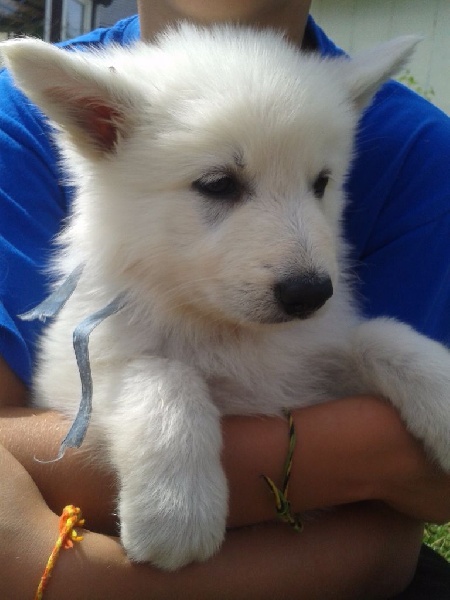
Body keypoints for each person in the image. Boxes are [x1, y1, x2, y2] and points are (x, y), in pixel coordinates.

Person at [1, 1, 450, 597]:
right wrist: (162, 409)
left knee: (380, 346)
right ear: (101, 126)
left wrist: (393, 359)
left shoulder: (418, 146)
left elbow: (413, 511)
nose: (306, 268)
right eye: (220, 185)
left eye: (318, 183)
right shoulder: (38, 126)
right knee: (159, 380)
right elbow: (71, 395)